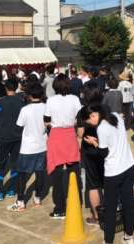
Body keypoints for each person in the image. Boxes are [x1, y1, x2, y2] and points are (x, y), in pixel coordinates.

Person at [81, 105, 134, 244]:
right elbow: (113, 142)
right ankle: (129, 236)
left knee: (110, 209)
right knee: (128, 203)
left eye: (89, 120)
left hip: (114, 172)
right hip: (129, 166)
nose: (90, 123)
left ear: (94, 115)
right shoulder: (116, 117)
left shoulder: (101, 128)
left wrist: (94, 143)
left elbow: (104, 153)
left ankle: (108, 241)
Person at [44, 74, 82, 219]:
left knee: (57, 174)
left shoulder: (51, 100)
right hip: (70, 134)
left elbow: (47, 119)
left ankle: (60, 208)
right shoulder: (75, 99)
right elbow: (79, 117)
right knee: (74, 171)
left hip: (56, 135)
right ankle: (77, 203)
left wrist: (51, 125)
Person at [7, 83, 47, 212]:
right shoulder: (46, 107)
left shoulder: (25, 109)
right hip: (42, 146)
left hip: (27, 147)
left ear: (29, 95)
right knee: (40, 173)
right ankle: (38, 198)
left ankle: (20, 202)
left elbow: (18, 128)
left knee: (22, 175)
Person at [0, 78, 27, 200]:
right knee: (15, 164)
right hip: (18, 138)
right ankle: (12, 189)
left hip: (3, 138)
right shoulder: (22, 103)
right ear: (16, 87)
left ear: (6, 88)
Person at [76, 86, 105, 225]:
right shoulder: (105, 109)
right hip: (105, 148)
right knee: (108, 181)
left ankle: (97, 216)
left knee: (93, 184)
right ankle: (110, 211)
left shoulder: (83, 112)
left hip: (90, 150)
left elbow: (80, 133)